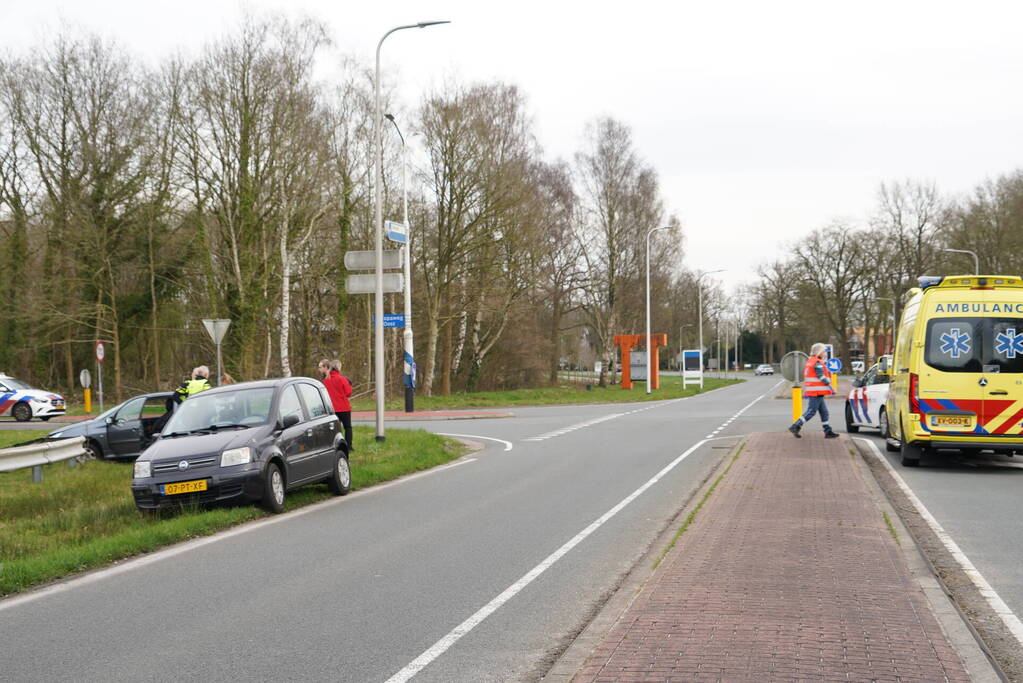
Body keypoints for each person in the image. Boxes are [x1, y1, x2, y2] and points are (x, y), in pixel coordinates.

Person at [788, 343, 838, 439]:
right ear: (819, 351)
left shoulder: (810, 361)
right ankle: (795, 426)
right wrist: (830, 385)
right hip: (816, 392)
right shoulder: (817, 363)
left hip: (815, 391)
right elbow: (821, 376)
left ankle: (827, 431)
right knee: (811, 411)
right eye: (823, 351)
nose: (824, 354)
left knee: (824, 412)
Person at [319, 358, 353, 451]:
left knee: (336, 429)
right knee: (348, 427)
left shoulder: (326, 380)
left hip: (332, 409)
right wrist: (350, 385)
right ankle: (349, 446)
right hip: (344, 408)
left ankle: (336, 446)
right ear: (338, 367)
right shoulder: (342, 379)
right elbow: (348, 393)